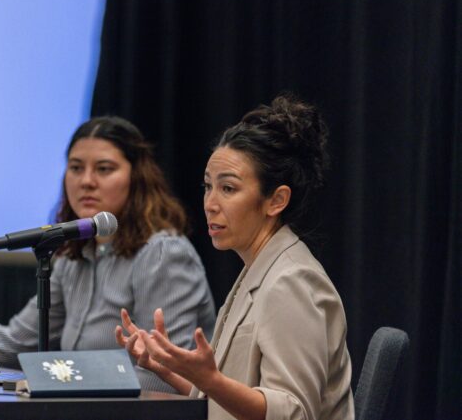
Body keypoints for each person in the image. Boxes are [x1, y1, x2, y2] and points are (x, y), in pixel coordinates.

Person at [0, 116, 216, 392]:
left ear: (136, 179)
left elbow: (168, 376)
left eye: (105, 169)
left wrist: (64, 387)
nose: (86, 181)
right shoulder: (71, 253)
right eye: (76, 167)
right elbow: (19, 341)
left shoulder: (163, 254)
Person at [116, 95, 354, 419]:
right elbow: (227, 399)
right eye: (207, 187)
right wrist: (168, 366)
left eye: (228, 189)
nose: (210, 203)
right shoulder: (258, 269)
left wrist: (210, 380)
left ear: (276, 200)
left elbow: (293, 412)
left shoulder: (292, 281)